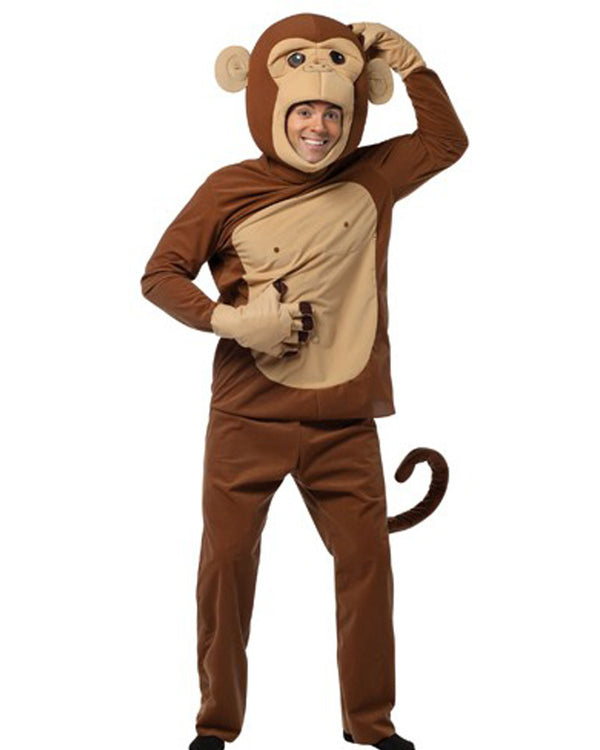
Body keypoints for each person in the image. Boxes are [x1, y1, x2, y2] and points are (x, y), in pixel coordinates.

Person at [140, 13, 468, 750]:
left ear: (351, 113)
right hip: (247, 417)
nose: (317, 126)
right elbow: (160, 276)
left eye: (332, 111)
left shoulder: (373, 177)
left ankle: (371, 725)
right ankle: (215, 726)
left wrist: (412, 65)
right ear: (270, 105)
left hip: (344, 418)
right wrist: (229, 320)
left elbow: (447, 142)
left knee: (367, 566)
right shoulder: (227, 188)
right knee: (226, 568)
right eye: (302, 110)